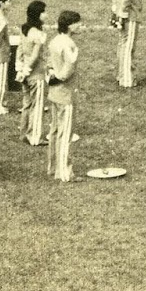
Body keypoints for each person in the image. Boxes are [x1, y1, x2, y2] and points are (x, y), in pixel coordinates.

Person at [45, 10, 82, 182]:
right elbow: (68, 70)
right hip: (66, 93)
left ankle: (52, 167)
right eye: (78, 22)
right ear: (70, 25)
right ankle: (64, 172)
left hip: (54, 92)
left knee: (54, 131)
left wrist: (52, 77)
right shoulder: (70, 45)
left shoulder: (54, 41)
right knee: (65, 133)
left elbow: (49, 64)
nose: (80, 25)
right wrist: (60, 77)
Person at [17, 0, 49, 146]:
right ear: (38, 14)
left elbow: (20, 49)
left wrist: (21, 69)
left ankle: (24, 133)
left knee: (27, 104)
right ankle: (35, 137)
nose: (46, 14)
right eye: (43, 12)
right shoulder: (39, 34)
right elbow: (36, 56)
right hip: (36, 74)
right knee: (38, 105)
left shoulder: (24, 29)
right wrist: (28, 69)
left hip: (25, 71)